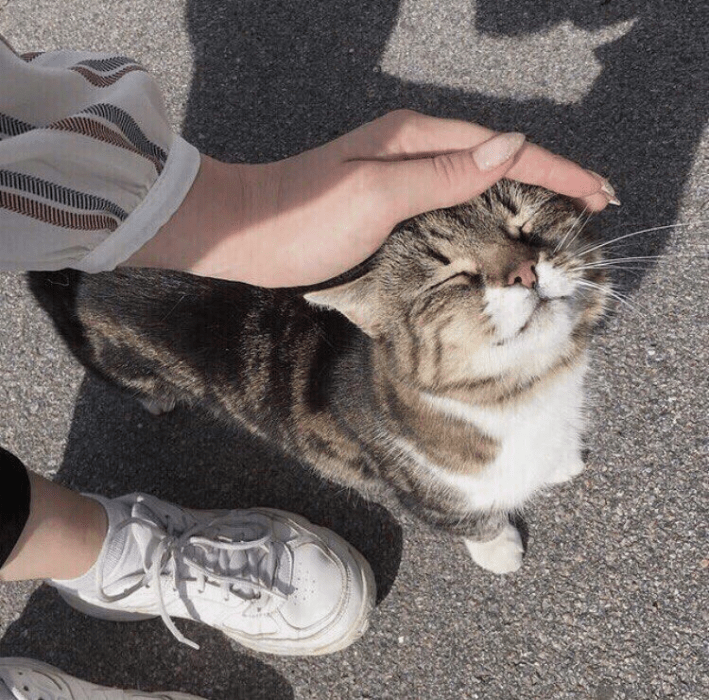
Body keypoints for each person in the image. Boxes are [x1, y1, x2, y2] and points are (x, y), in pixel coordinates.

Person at [0, 38, 617, 699]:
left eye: (522, 230)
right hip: (117, 301)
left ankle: (87, 541)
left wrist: (235, 204)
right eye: (454, 277)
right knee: (138, 364)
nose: (517, 268)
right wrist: (481, 527)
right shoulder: (426, 424)